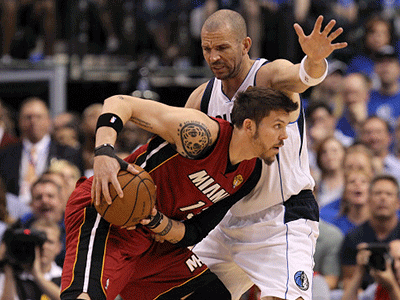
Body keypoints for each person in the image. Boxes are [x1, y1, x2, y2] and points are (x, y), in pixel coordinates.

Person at [60, 86, 298, 300]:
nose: (284, 136)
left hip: (152, 240)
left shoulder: (249, 174)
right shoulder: (200, 133)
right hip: (109, 212)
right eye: (277, 125)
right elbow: (120, 101)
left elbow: (195, 231)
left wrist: (157, 222)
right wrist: (103, 152)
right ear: (249, 125)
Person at [182, 8, 347, 300]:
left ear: (245, 45)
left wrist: (315, 60)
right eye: (207, 49)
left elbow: (302, 77)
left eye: (222, 47)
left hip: (279, 217)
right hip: (225, 219)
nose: (214, 57)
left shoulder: (268, 75)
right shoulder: (200, 98)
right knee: (177, 291)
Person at [0, 97, 83, 206]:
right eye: (28, 117)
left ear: (48, 120)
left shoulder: (68, 153)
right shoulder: (5, 154)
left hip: (53, 211)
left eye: (38, 117)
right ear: (19, 121)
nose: (33, 121)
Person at [340, 174, 400, 291]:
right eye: (377, 193)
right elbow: (348, 282)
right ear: (368, 199)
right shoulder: (353, 237)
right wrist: (359, 270)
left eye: (389, 194)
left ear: (398, 202)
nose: (383, 198)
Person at [0, 218, 63, 300]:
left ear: (59, 247)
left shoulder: (64, 277)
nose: (44, 246)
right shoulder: (10, 274)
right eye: (39, 241)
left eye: (49, 242)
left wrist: (37, 275)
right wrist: (8, 268)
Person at [358, 116, 400, 184]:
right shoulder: (353, 166)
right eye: (368, 132)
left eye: (378, 132)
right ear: (360, 137)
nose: (373, 137)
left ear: (389, 137)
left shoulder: (398, 168)